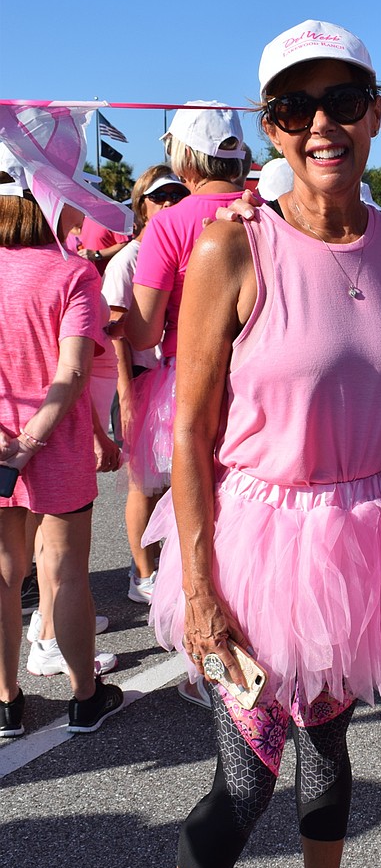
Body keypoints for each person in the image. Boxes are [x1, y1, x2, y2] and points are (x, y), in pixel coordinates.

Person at [143, 20, 381, 868]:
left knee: (329, 752)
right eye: (293, 108)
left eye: (343, 101)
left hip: (360, 530)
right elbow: (189, 430)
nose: (321, 124)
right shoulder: (233, 244)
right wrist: (204, 588)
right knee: (247, 769)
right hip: (254, 537)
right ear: (268, 124)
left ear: (373, 114)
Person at [0, 173, 123, 738]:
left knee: (4, 574)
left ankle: (6, 703)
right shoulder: (73, 272)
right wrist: (32, 444)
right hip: (55, 447)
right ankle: (83, 696)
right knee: (68, 572)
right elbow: (72, 372)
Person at [123, 104, 249, 604]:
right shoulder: (273, 209)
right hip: (264, 380)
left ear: (186, 158)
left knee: (195, 514)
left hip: (191, 383)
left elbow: (144, 329)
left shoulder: (169, 225)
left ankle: (208, 658)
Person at [102, 166, 188, 610]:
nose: (170, 204)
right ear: (142, 206)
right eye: (160, 198)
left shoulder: (179, 248)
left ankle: (166, 569)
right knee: (144, 485)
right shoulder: (127, 259)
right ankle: (143, 573)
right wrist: (126, 399)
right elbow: (115, 333)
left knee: (179, 482)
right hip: (140, 382)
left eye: (177, 194)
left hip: (174, 381)